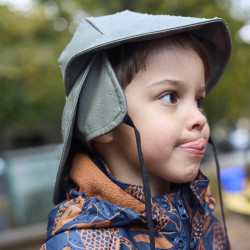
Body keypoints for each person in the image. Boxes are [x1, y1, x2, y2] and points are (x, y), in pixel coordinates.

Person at [41, 11, 231, 249]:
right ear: (103, 119)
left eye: (198, 101)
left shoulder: (204, 219)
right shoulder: (78, 245)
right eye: (170, 96)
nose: (199, 118)